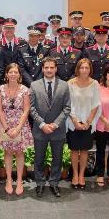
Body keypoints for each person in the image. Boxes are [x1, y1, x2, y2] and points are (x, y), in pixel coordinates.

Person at [30, 57, 71, 198]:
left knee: (57, 159)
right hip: (40, 129)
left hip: (57, 130)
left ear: (56, 69)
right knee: (39, 159)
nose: (49, 70)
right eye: (46, 67)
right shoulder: (34, 85)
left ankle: (54, 183)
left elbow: (67, 108)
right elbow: (31, 108)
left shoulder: (64, 85)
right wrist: (42, 124)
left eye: (51, 67)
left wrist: (54, 124)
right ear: (42, 69)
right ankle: (40, 184)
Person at [0, 63, 33, 196]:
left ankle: (19, 181)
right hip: (5, 124)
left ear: (19, 75)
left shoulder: (25, 90)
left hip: (20, 125)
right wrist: (6, 128)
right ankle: (9, 180)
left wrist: (17, 128)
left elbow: (26, 109)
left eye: (15, 72)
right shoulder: (0, 89)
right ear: (6, 74)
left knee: (19, 153)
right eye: (10, 72)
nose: (13, 74)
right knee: (8, 152)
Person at [66, 59, 100, 189]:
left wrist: (88, 122)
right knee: (74, 150)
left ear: (90, 69)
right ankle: (75, 174)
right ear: (78, 69)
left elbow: (96, 104)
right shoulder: (70, 83)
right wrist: (75, 121)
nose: (84, 70)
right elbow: (68, 104)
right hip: (73, 122)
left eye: (87, 68)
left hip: (87, 122)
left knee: (85, 150)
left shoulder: (95, 83)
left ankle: (81, 175)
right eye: (82, 68)